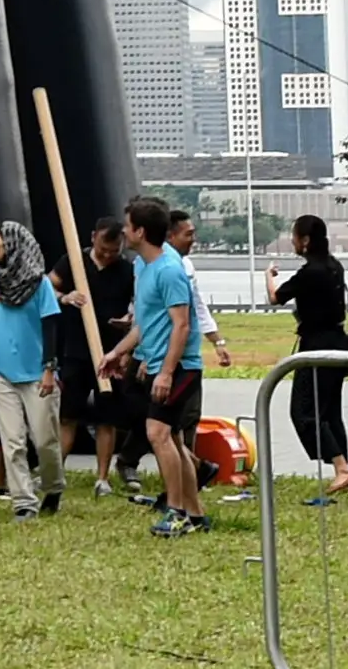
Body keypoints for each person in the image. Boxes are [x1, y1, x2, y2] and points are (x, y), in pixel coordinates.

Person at [101, 195, 208, 537]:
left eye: (128, 224)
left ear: (140, 231)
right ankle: (195, 514)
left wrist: (165, 371)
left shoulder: (169, 269)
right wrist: (117, 353)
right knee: (173, 439)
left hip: (180, 367)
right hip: (158, 363)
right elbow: (144, 325)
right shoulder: (143, 267)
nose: (123, 230)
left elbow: (182, 325)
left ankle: (175, 512)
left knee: (157, 434)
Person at [0, 220, 64, 518]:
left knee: (45, 440)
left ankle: (53, 486)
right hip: (0, 373)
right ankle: (24, 503)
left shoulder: (40, 285)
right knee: (12, 441)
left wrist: (49, 369)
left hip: (38, 374)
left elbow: (51, 326)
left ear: (12, 244)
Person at [266, 214, 348, 499]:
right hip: (338, 343)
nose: (292, 241)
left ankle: (342, 469)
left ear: (305, 240)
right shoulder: (334, 267)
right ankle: (342, 468)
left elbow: (275, 297)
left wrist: (269, 277)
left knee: (304, 412)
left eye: (294, 236)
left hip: (316, 346)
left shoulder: (310, 272)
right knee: (329, 411)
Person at [62, 216, 140, 496]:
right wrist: (66, 297)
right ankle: (57, 474)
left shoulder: (126, 270)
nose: (108, 256)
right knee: (68, 414)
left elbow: (139, 306)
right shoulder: (73, 260)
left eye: (114, 251)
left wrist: (128, 320)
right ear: (93, 237)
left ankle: (102, 478)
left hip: (110, 353)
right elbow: (50, 286)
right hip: (75, 351)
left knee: (106, 417)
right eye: (103, 250)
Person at [165, 210, 237, 367]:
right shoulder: (151, 266)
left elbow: (198, 306)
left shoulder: (187, 265)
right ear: (170, 236)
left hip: (189, 358)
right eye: (188, 234)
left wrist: (218, 342)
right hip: (160, 357)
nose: (193, 240)